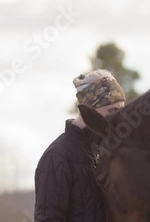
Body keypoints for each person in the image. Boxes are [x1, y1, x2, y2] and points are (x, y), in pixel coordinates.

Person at [34, 69, 126, 222]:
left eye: (122, 110)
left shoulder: (105, 154)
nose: (119, 118)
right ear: (90, 109)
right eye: (112, 110)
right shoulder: (57, 156)